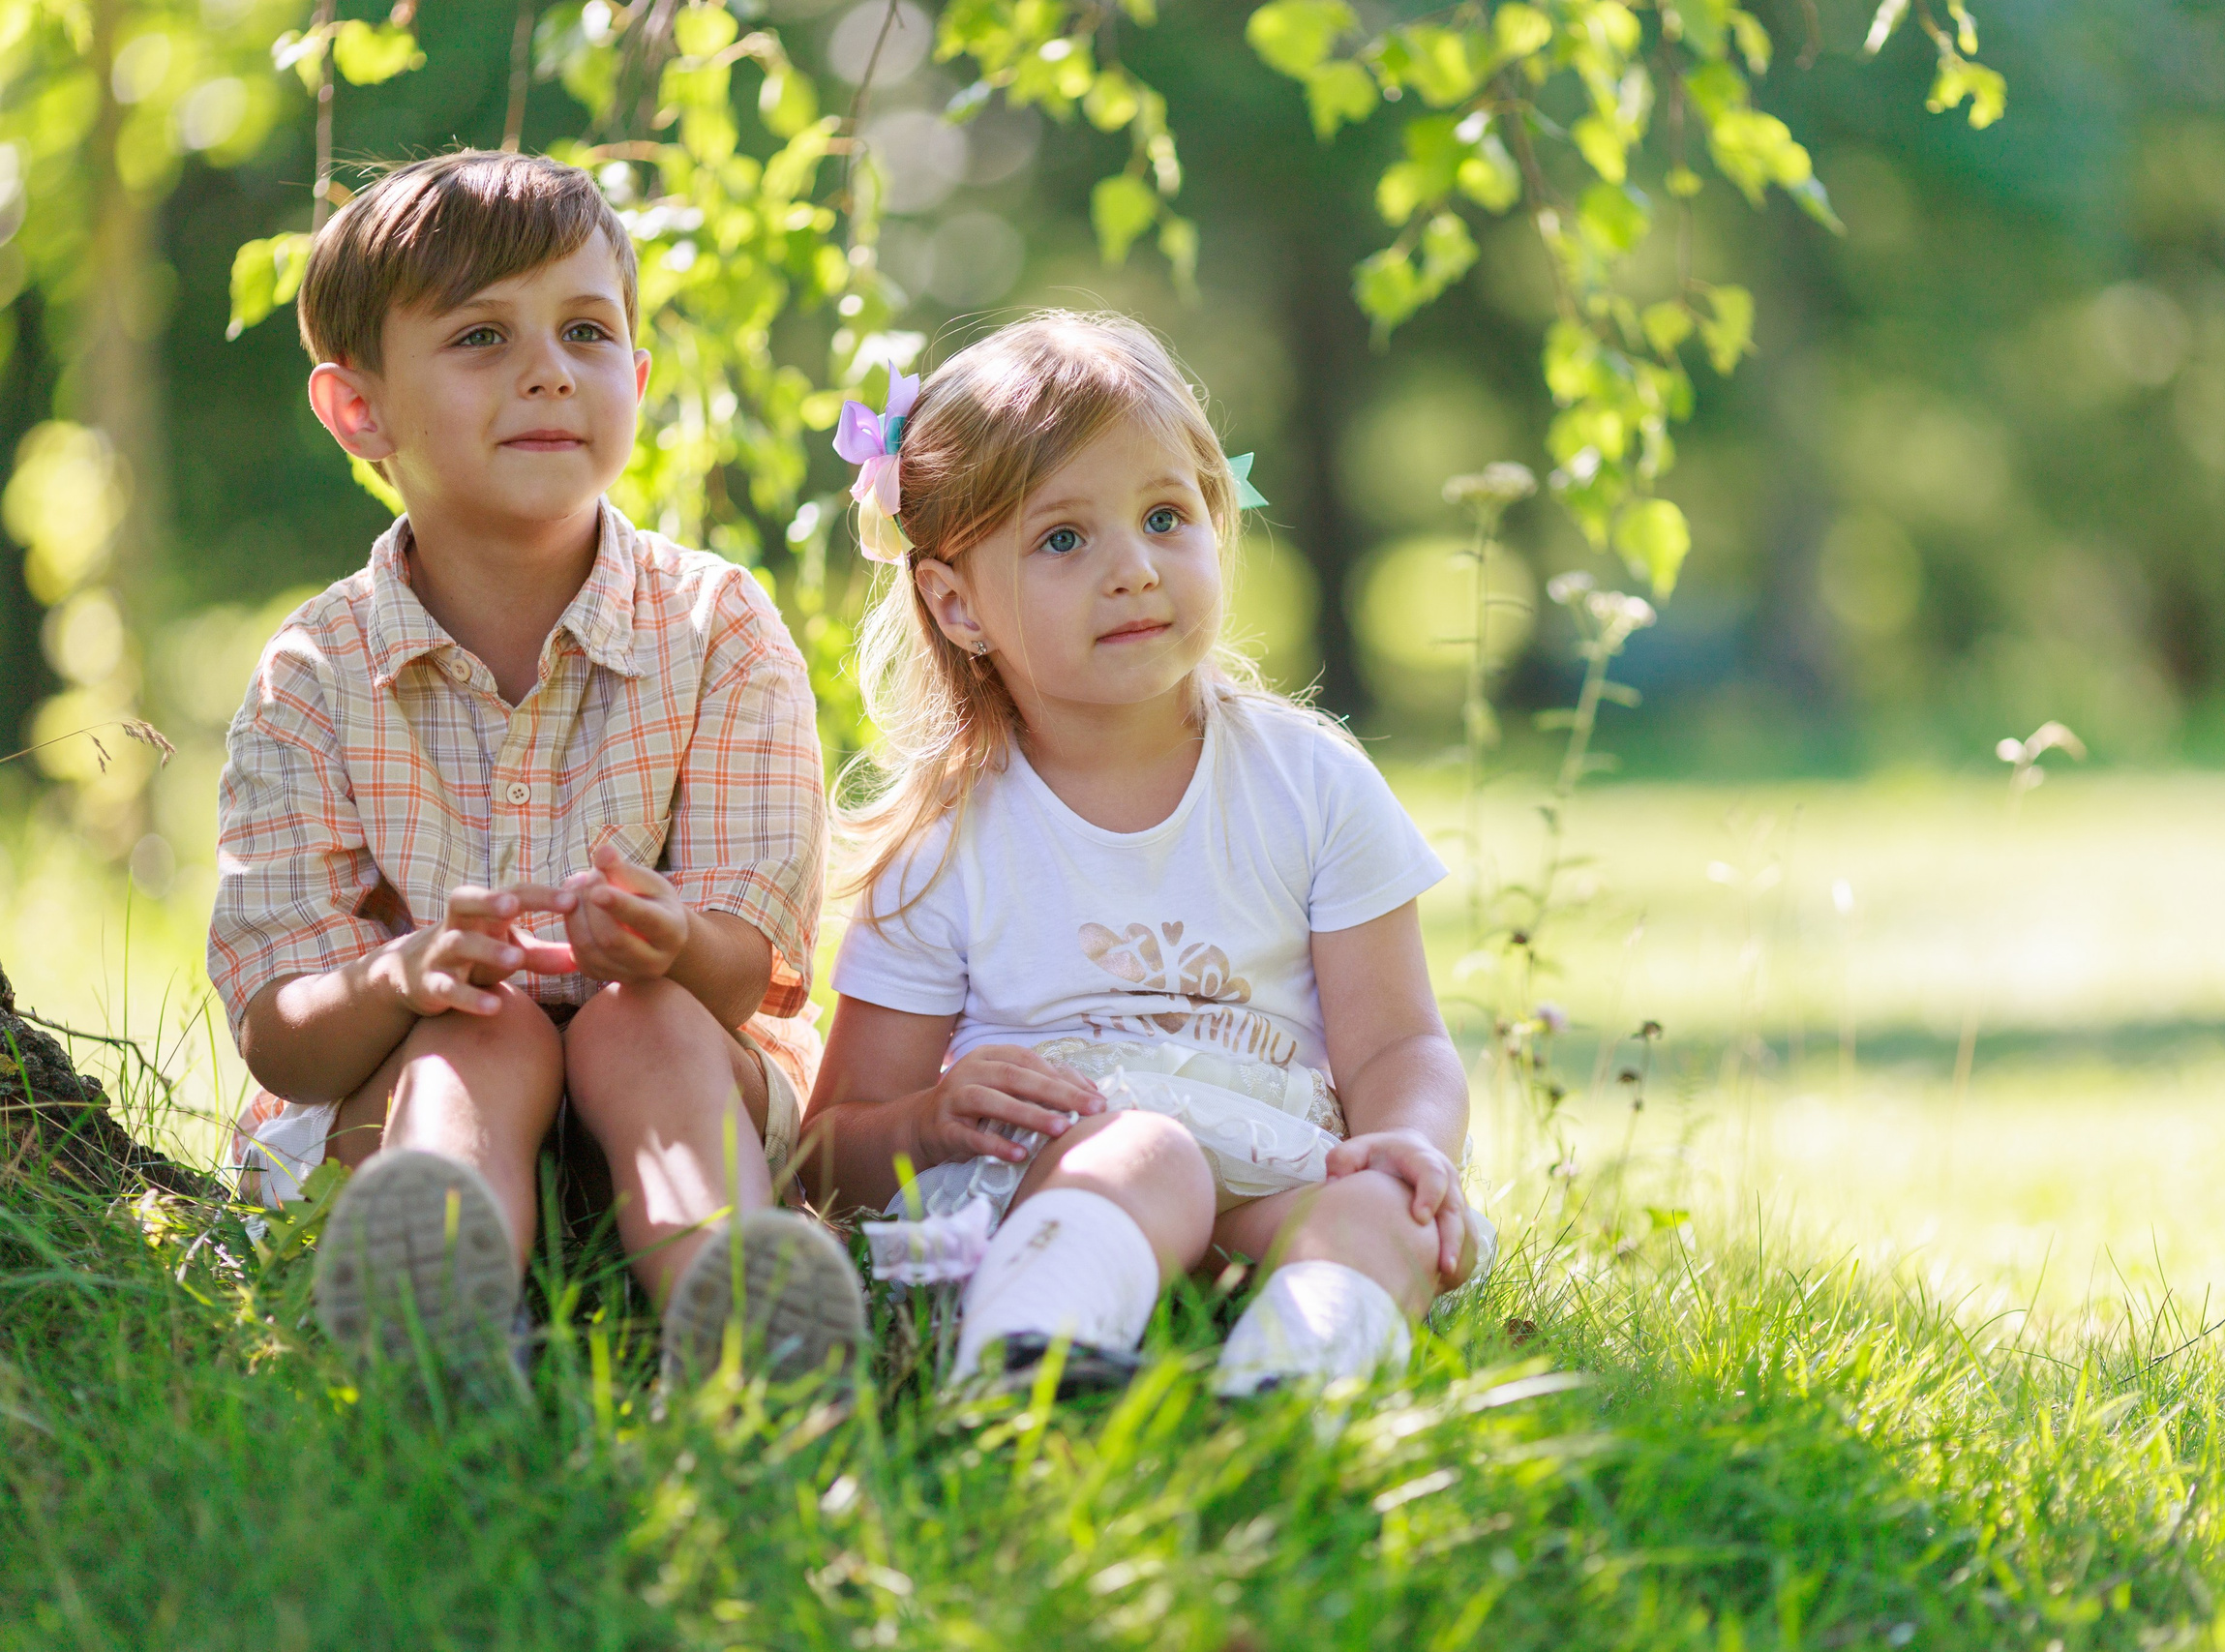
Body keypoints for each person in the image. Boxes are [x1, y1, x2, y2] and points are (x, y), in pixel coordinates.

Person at [210, 151, 862, 1397]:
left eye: (584, 330)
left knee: (643, 1022)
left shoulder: (717, 625)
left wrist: (673, 940)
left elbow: (758, 971)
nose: (549, 369)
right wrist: (397, 975)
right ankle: (441, 1311)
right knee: (484, 1027)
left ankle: (738, 1315)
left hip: (681, 1079)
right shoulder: (317, 669)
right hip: (406, 1098)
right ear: (359, 411)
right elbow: (280, 1038)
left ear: (637, 376)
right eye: (479, 337)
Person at [804, 311, 1489, 1397]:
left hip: (1272, 1177)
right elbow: (827, 1152)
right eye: (1063, 540)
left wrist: (1411, 1143)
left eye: (1166, 515)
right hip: (1052, 1190)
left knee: (1381, 1211)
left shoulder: (1308, 780)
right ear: (954, 603)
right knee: (1149, 1155)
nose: (1132, 569)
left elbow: (1399, 1041)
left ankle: (1289, 1387)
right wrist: (925, 1121)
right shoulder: (947, 842)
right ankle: (1029, 1360)